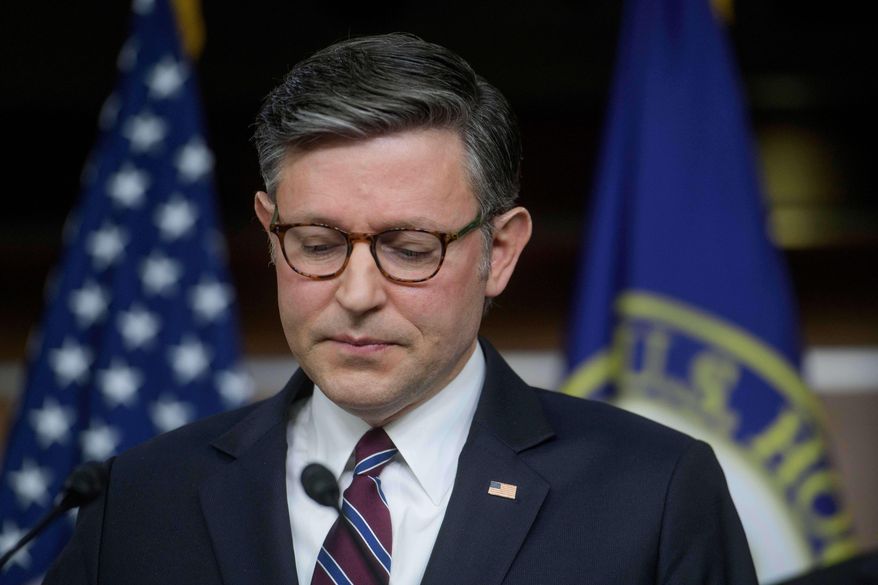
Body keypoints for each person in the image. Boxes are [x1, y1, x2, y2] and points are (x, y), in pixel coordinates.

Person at [46, 33, 757, 584]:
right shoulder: (138, 499)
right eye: (318, 244)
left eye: (410, 248)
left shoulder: (652, 493)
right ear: (270, 233)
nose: (356, 294)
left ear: (499, 252)